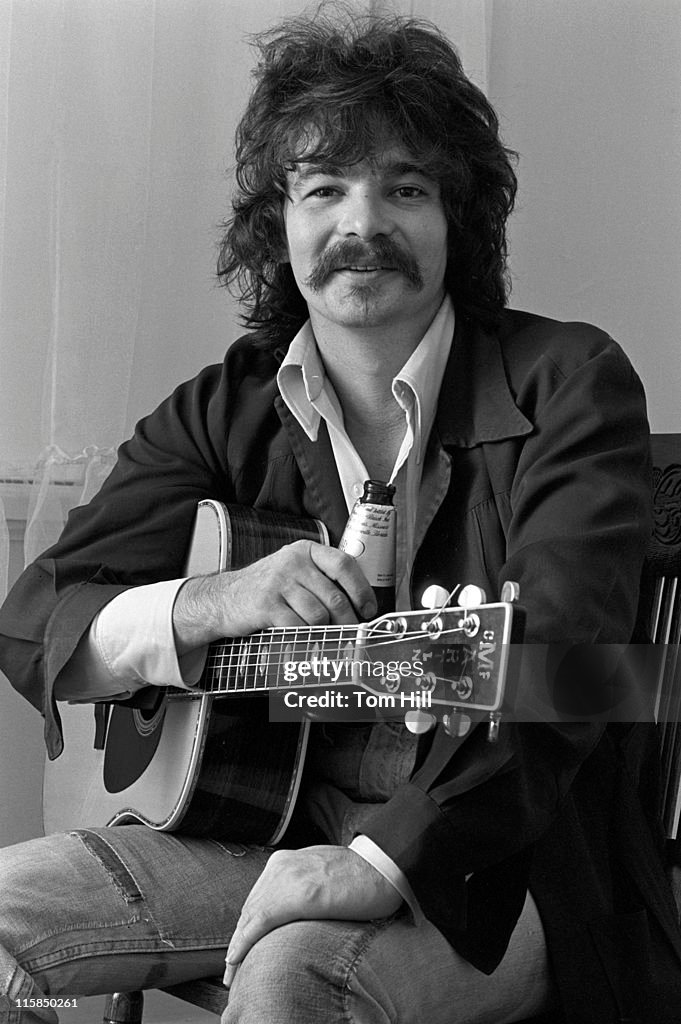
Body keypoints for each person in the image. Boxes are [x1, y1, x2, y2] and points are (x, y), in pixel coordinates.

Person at [0, 7, 679, 1024]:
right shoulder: (222, 406)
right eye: (325, 189)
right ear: (278, 222)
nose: (362, 225)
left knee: (295, 976)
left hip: (494, 870)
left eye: (404, 188)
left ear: (459, 216)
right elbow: (33, 618)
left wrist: (376, 857)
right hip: (245, 836)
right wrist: (208, 603)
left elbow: (574, 665)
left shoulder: (569, 381)